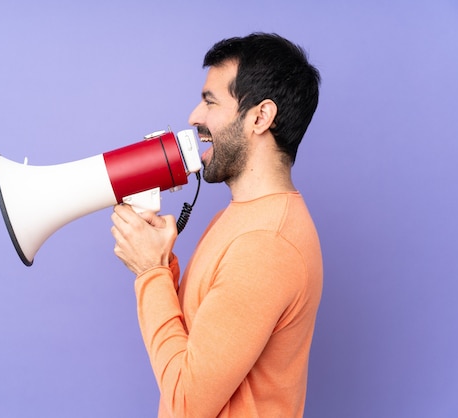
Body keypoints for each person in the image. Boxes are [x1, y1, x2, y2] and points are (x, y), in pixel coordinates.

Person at [111, 32, 322, 418]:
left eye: (210, 101)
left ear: (260, 117)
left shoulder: (266, 244)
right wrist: (162, 263)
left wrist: (150, 272)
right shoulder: (240, 217)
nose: (194, 117)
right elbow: (198, 336)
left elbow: (187, 404)